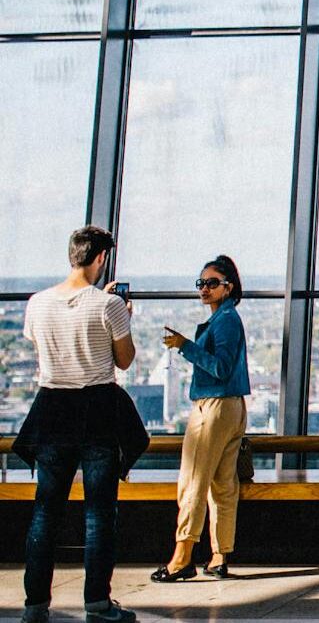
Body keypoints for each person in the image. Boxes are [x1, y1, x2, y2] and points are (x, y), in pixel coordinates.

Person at [16, 226, 144, 623]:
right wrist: (123, 317)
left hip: (52, 409)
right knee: (99, 513)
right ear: (101, 259)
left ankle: (35, 605)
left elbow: (41, 348)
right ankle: (98, 604)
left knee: (45, 511)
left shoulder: (37, 303)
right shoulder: (108, 307)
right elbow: (124, 360)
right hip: (97, 412)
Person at [151, 255, 251, 582]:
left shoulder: (225, 321)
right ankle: (219, 555)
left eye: (212, 283)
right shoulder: (227, 319)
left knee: (193, 481)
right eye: (201, 283)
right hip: (231, 408)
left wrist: (185, 346)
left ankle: (182, 557)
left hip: (214, 407)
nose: (204, 289)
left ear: (229, 287)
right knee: (222, 484)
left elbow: (219, 367)